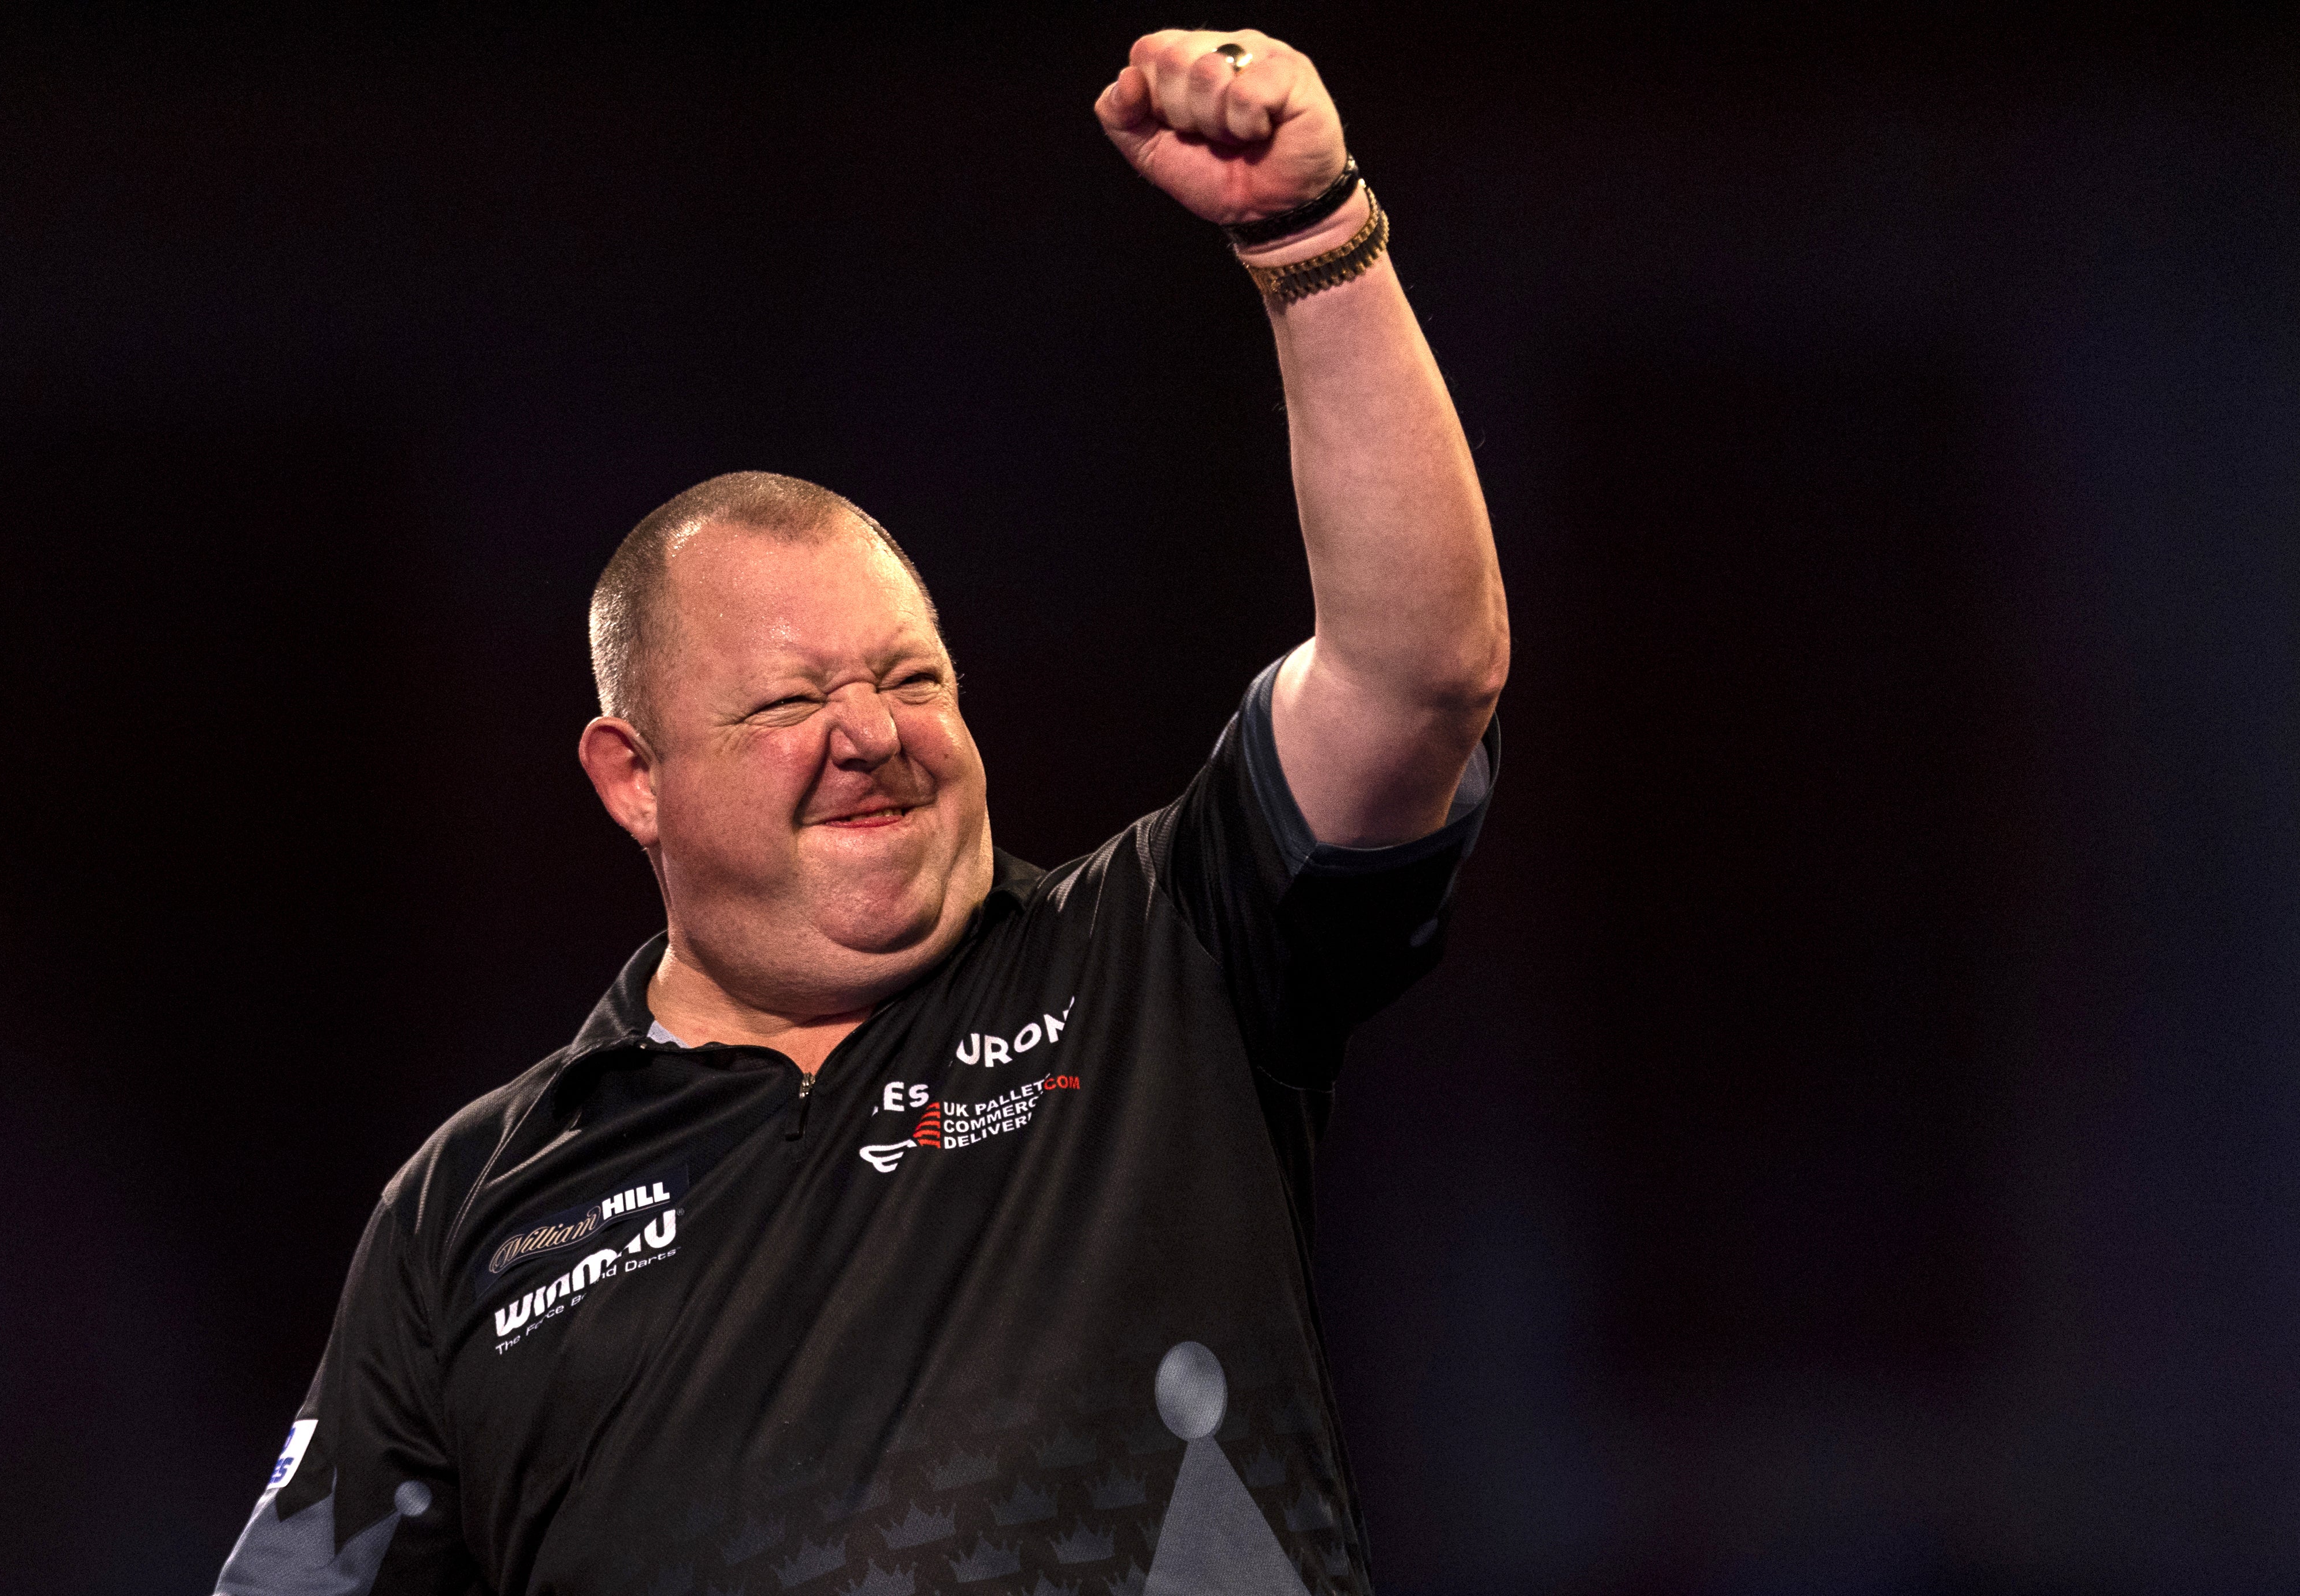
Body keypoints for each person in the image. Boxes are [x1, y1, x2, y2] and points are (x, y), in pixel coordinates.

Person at [216, 27, 1506, 1596]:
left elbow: (1419, 673)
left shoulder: (1167, 955)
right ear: (635, 780)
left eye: (912, 676)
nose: (872, 737)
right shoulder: (470, 1210)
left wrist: (1312, 242)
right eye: (786, 706)